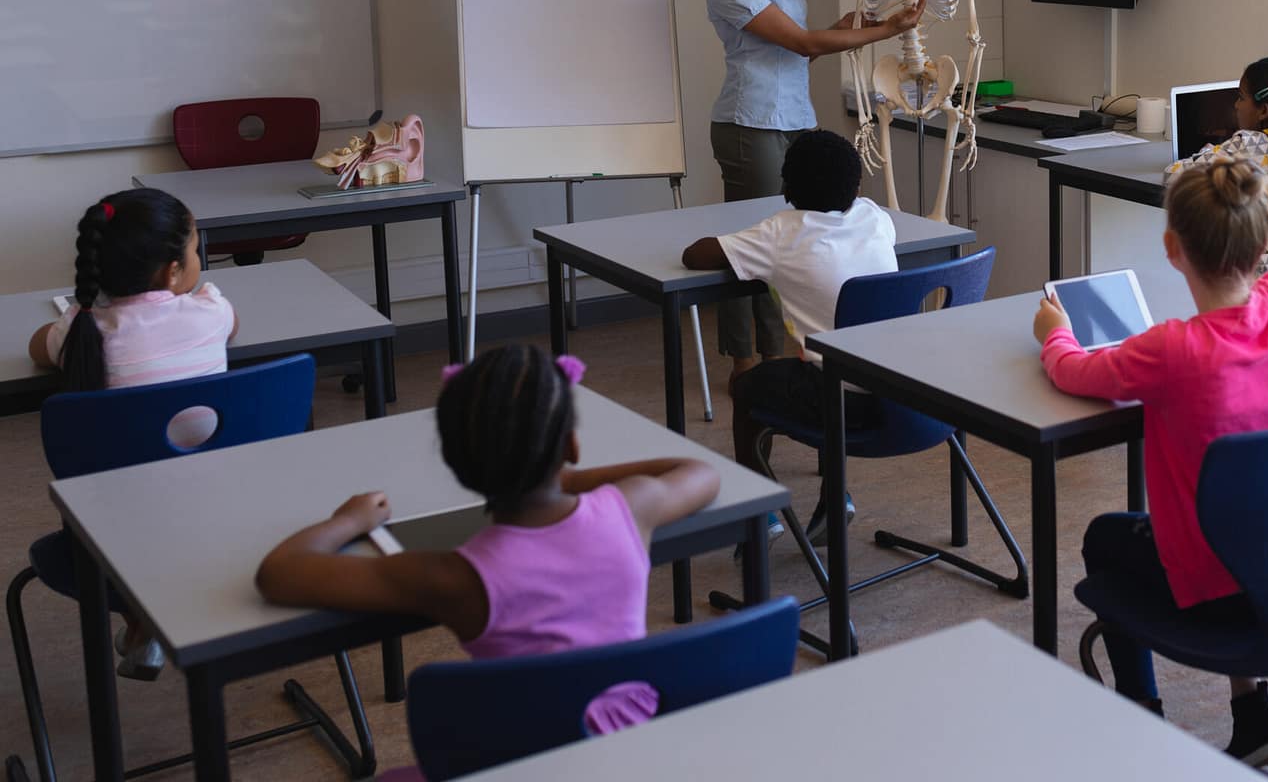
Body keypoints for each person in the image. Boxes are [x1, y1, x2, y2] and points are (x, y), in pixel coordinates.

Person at [1033, 41, 1268, 766]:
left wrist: (1054, 334)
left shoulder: (1168, 350)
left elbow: (1077, 373)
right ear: (1263, 237)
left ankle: (1142, 715)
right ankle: (1252, 716)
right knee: (1242, 514)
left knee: (1107, 539)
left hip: (1221, 598)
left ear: (1172, 250)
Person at [256, 345, 719, 750]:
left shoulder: (453, 577)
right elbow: (699, 472)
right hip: (632, 746)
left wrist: (349, 521)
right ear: (572, 446)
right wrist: (569, 477)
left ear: (460, 465)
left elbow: (278, 573)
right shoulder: (630, 508)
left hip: (520, 757)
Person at [693, 0, 923, 383]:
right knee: (750, 247)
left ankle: (779, 355)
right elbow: (798, 42)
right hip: (752, 123)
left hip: (794, 116)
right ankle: (747, 362)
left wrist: (843, 29)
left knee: (790, 241)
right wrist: (883, 31)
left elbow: (797, 50)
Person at [27, 187, 234, 679]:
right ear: (173, 272)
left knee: (97, 530)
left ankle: (144, 621)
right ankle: (154, 622)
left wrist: (77, 313)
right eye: (194, 247)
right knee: (174, 501)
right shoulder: (211, 312)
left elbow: (38, 348)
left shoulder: (83, 330)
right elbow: (233, 325)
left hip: (109, 553)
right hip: (227, 528)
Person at [682, 129, 895, 540]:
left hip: (839, 402)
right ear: (856, 185)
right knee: (824, 361)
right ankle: (836, 498)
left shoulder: (780, 233)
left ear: (786, 186)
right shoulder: (875, 218)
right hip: (901, 398)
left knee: (747, 386)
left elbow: (696, 256)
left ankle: (759, 511)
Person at [1164, 55, 1268, 274]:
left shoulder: (1247, 145)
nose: (1235, 105)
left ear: (1263, 111)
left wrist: (1208, 154)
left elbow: (1173, 175)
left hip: (1259, 292)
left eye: (1241, 97)